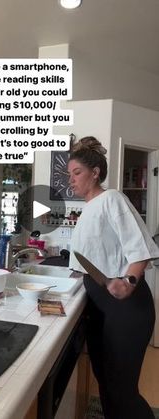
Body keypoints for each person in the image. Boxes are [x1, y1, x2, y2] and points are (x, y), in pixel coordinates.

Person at [68, 136, 159, 419]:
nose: (71, 179)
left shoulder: (112, 199)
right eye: (69, 174)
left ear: (95, 172)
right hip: (101, 308)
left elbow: (139, 249)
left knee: (121, 390)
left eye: (77, 172)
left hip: (126, 307)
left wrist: (130, 282)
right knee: (106, 383)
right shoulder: (87, 210)